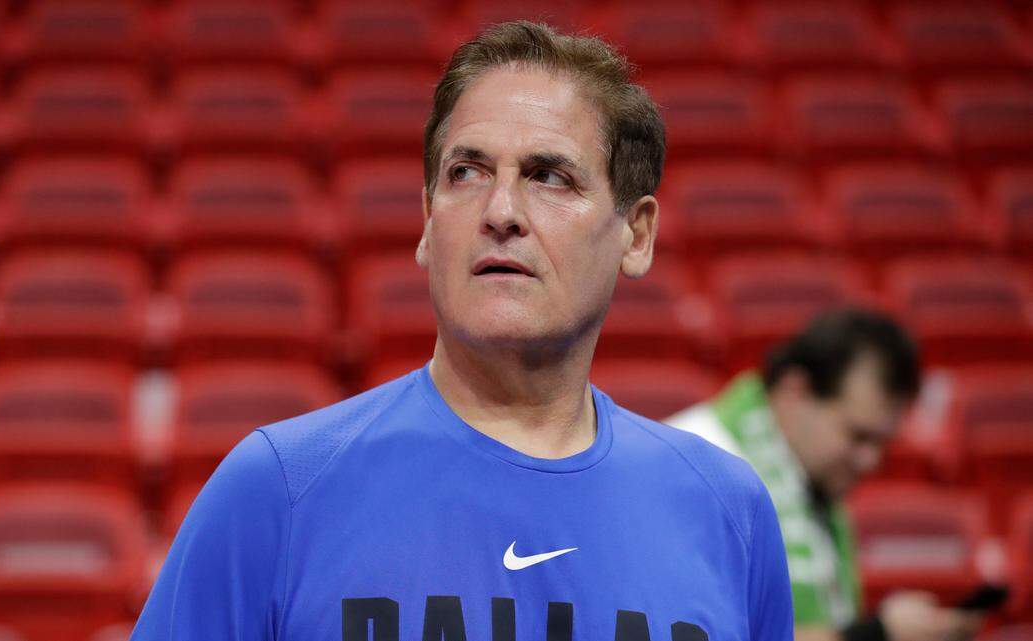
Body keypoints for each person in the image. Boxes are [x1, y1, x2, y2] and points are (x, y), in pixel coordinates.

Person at [131, 21, 793, 640]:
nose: (500, 211)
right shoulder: (278, 488)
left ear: (637, 233)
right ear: (427, 220)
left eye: (549, 176)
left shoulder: (729, 512)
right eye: (466, 173)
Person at [667, 308, 982, 641]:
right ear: (795, 391)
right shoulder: (690, 465)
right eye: (858, 436)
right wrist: (874, 635)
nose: (870, 461)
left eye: (882, 443)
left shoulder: (810, 481)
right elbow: (686, 631)